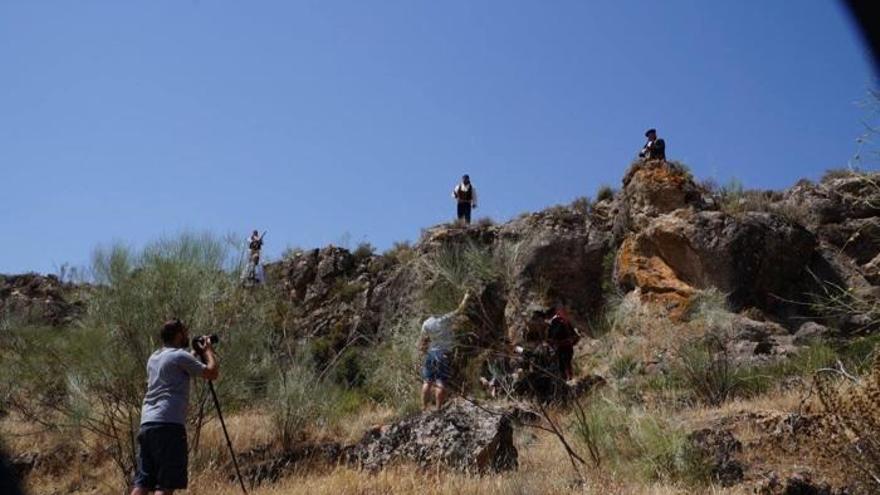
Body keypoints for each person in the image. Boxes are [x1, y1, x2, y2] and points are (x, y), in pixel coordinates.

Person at [130, 319, 219, 495]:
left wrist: (195, 352)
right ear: (179, 334)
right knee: (165, 484)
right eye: (185, 332)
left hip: (147, 424)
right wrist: (208, 351)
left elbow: (180, 364)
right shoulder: (180, 356)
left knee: (143, 481)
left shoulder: (154, 357)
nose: (187, 335)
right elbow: (212, 372)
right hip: (168, 425)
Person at [418, 291, 472, 410]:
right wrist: (466, 296)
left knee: (427, 381)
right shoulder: (445, 319)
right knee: (440, 381)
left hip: (430, 354)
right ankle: (438, 408)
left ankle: (424, 407)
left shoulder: (426, 323)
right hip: (443, 354)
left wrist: (422, 353)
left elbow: (423, 342)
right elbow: (460, 310)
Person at [546, 307, 579, 381]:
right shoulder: (561, 322)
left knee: (564, 363)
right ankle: (567, 379)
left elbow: (550, 338)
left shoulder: (561, 323)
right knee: (565, 363)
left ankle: (567, 379)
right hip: (564, 347)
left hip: (564, 347)